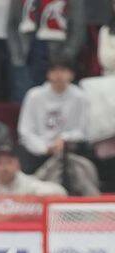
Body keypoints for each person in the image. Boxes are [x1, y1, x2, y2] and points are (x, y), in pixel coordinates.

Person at [17, 56, 97, 195]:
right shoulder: (34, 95)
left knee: (84, 165)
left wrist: (65, 139)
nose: (59, 75)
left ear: (71, 74)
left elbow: (83, 130)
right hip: (38, 152)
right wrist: (44, 148)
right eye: (54, 71)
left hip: (69, 150)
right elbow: (25, 131)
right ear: (48, 74)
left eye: (63, 70)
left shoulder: (80, 97)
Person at [0, 144, 67, 195]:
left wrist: (35, 197)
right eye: (0, 163)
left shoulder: (27, 184)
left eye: (9, 162)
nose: (4, 167)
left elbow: (60, 192)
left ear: (17, 165)